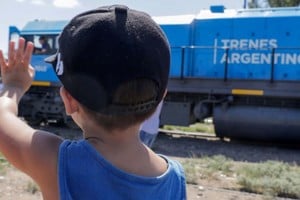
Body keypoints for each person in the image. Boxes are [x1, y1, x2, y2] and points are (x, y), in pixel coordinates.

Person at [0, 5, 186, 200]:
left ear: (69, 100)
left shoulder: (54, 161)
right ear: (161, 98)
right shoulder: (175, 179)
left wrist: (14, 86)